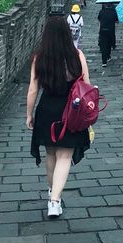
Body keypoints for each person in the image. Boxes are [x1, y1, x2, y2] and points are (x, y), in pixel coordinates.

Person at [26, 15, 91, 219]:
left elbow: (32, 90)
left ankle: (52, 192)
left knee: (51, 154)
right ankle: (55, 201)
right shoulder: (77, 55)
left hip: (47, 110)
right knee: (65, 156)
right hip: (71, 111)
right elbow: (87, 86)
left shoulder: (39, 57)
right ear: (66, 33)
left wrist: (29, 114)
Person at [98, 2, 118, 67]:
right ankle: (108, 56)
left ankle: (104, 62)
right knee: (109, 44)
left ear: (105, 5)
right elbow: (116, 21)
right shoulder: (114, 12)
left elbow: (99, 19)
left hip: (103, 30)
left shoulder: (102, 11)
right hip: (111, 30)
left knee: (103, 45)